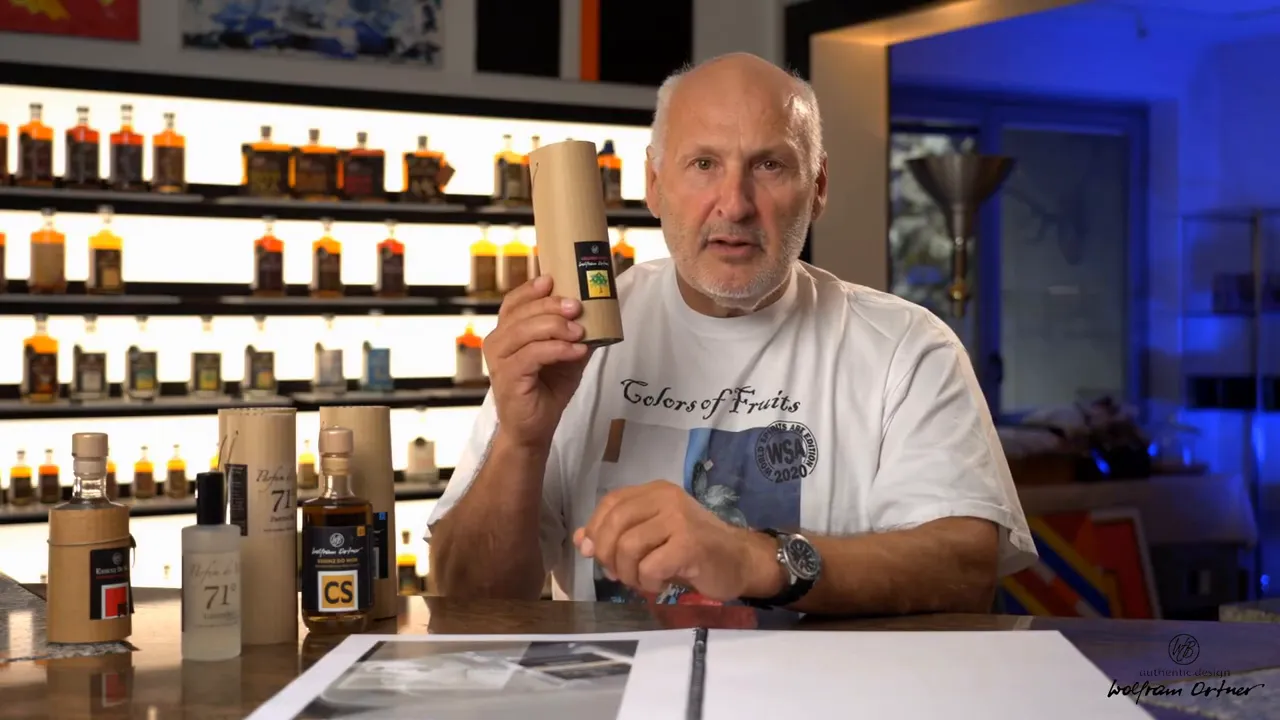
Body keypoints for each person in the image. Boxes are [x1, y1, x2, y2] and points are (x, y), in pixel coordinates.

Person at [426, 52, 1036, 615]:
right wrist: (521, 441)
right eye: (703, 164)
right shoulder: (574, 336)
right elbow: (465, 598)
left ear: (817, 187)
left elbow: (965, 566)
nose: (735, 204)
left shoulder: (905, 348)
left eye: (769, 165)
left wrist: (754, 560)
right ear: (654, 185)